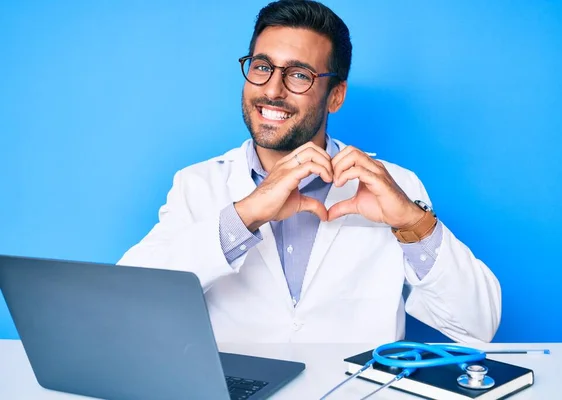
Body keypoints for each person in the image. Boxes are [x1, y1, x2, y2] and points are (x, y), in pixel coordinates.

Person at [118, 0, 501, 344]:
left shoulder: (393, 186)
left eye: (299, 75)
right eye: (262, 67)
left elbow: (478, 326)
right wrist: (245, 215)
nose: (272, 90)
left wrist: (411, 222)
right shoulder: (197, 184)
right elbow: (127, 299)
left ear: (335, 96)